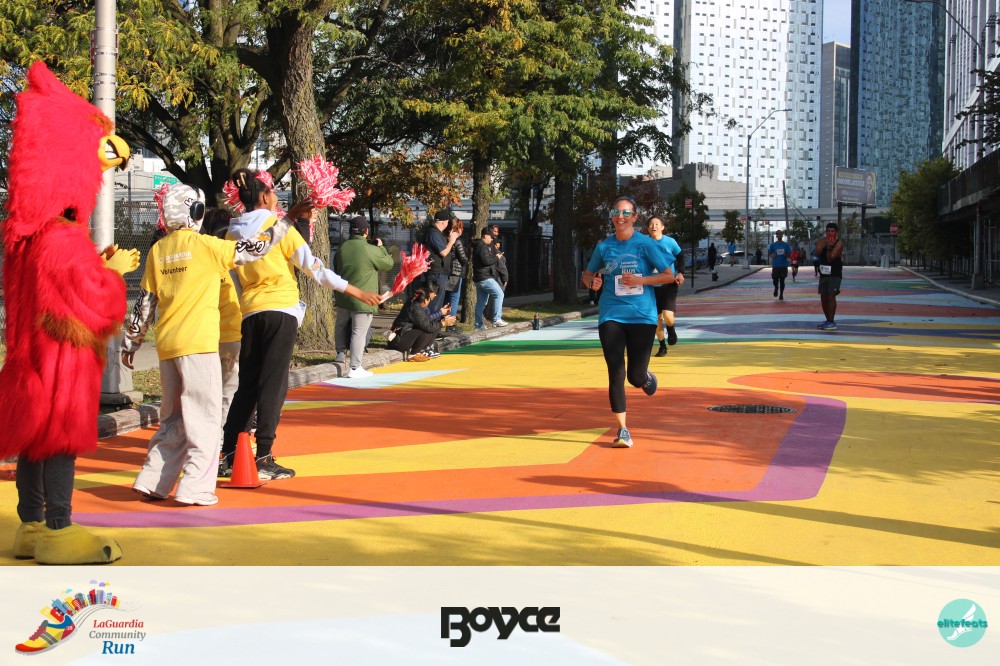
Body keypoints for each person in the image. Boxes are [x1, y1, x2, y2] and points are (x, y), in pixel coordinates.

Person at [2, 62, 138, 565]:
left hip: (31, 358)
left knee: (34, 441)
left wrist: (94, 265)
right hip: (61, 363)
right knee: (58, 440)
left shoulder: (29, 238)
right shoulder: (62, 237)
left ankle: (32, 526)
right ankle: (59, 528)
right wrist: (112, 273)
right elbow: (89, 302)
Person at [121, 183, 300, 506]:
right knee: (205, 416)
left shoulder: (158, 251)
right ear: (196, 211)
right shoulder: (204, 245)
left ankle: (152, 480)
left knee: (173, 418)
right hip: (199, 343)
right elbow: (252, 250)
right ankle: (195, 487)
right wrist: (285, 222)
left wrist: (131, 342)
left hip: (168, 345)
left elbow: (145, 302)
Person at [218, 168, 382, 481]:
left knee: (247, 385)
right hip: (281, 309)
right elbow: (315, 268)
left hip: (251, 312)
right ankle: (263, 455)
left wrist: (246, 307)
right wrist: (356, 291)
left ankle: (228, 453)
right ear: (264, 196)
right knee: (273, 384)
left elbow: (235, 278)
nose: (276, 197)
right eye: (272, 192)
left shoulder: (232, 233)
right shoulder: (279, 227)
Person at [581, 196, 675, 449]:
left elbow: (668, 275)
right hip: (611, 314)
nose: (620, 217)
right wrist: (592, 282)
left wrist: (641, 280)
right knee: (615, 371)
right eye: (616, 212)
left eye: (625, 213)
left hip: (642, 316)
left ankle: (644, 377)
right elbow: (587, 274)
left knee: (634, 376)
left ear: (634, 217)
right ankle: (622, 430)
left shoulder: (645, 244)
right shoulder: (604, 247)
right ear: (612, 216)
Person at [333, 215, 394, 378]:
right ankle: (355, 367)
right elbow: (388, 264)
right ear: (366, 231)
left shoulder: (342, 248)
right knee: (358, 332)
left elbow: (336, 267)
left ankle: (340, 354)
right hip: (364, 299)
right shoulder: (370, 249)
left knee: (341, 325)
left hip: (344, 295)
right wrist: (381, 247)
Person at [646, 216, 684, 357]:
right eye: (651, 224)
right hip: (650, 285)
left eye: (657, 224)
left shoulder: (670, 242)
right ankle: (662, 346)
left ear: (662, 227)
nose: (654, 226)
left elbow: (681, 257)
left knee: (667, 316)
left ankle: (671, 329)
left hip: (669, 284)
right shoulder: (644, 243)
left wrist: (680, 273)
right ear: (648, 228)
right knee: (655, 318)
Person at [388, 285, 457, 361]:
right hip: (398, 340)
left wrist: (442, 320)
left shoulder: (418, 306)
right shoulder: (415, 308)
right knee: (426, 329)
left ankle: (423, 349)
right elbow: (427, 325)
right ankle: (413, 354)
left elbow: (428, 320)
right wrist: (443, 323)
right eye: (429, 300)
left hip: (405, 335)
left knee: (435, 325)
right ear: (425, 300)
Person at [425, 209, 461, 312]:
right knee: (435, 304)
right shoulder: (433, 233)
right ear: (443, 222)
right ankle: (431, 320)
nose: (448, 224)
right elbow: (444, 252)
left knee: (439, 303)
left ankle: (435, 320)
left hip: (441, 272)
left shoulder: (438, 233)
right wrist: (452, 241)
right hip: (436, 273)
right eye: (447, 222)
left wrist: (448, 239)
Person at [472, 227, 508, 329]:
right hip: (485, 277)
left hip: (479, 278)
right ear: (486, 236)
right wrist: (497, 257)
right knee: (499, 294)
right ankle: (496, 319)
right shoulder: (482, 246)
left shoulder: (478, 245)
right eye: (491, 237)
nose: (492, 239)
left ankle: (479, 325)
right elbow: (487, 261)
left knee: (481, 302)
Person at [815, 222, 845, 331]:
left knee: (831, 296)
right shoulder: (821, 240)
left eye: (832, 231)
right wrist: (823, 245)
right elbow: (817, 253)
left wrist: (829, 248)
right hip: (823, 273)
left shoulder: (839, 243)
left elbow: (831, 258)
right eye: (828, 231)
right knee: (823, 297)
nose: (830, 233)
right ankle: (828, 320)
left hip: (834, 273)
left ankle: (831, 321)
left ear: (836, 232)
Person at [444, 216, 468, 327]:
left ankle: (444, 320)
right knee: (454, 298)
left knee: (446, 297)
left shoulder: (445, 238)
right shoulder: (457, 241)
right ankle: (451, 323)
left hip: (447, 271)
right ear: (458, 228)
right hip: (456, 272)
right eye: (461, 228)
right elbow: (463, 259)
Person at [768, 230, 792, 300]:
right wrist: (772, 255)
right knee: (775, 280)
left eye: (781, 234)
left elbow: (789, 254)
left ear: (782, 235)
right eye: (778, 234)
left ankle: (781, 294)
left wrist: (786, 255)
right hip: (776, 265)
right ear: (776, 236)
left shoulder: (786, 245)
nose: (780, 235)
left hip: (783, 265)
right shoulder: (773, 245)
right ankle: (776, 287)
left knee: (782, 280)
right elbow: (770, 252)